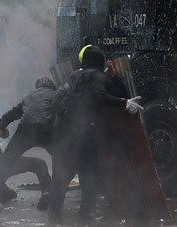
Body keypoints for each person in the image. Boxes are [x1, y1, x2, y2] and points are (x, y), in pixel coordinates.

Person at [49, 45, 143, 220]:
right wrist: (123, 102)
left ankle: (55, 219)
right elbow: (100, 96)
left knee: (62, 178)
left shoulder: (73, 75)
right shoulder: (96, 76)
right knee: (88, 178)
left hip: (66, 135)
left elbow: (62, 99)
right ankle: (84, 218)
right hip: (84, 135)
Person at [0, 77, 56, 210]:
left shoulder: (29, 97)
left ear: (37, 87)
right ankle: (48, 191)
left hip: (26, 129)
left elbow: (10, 115)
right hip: (47, 129)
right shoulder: (56, 95)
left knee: (6, 160)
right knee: (62, 160)